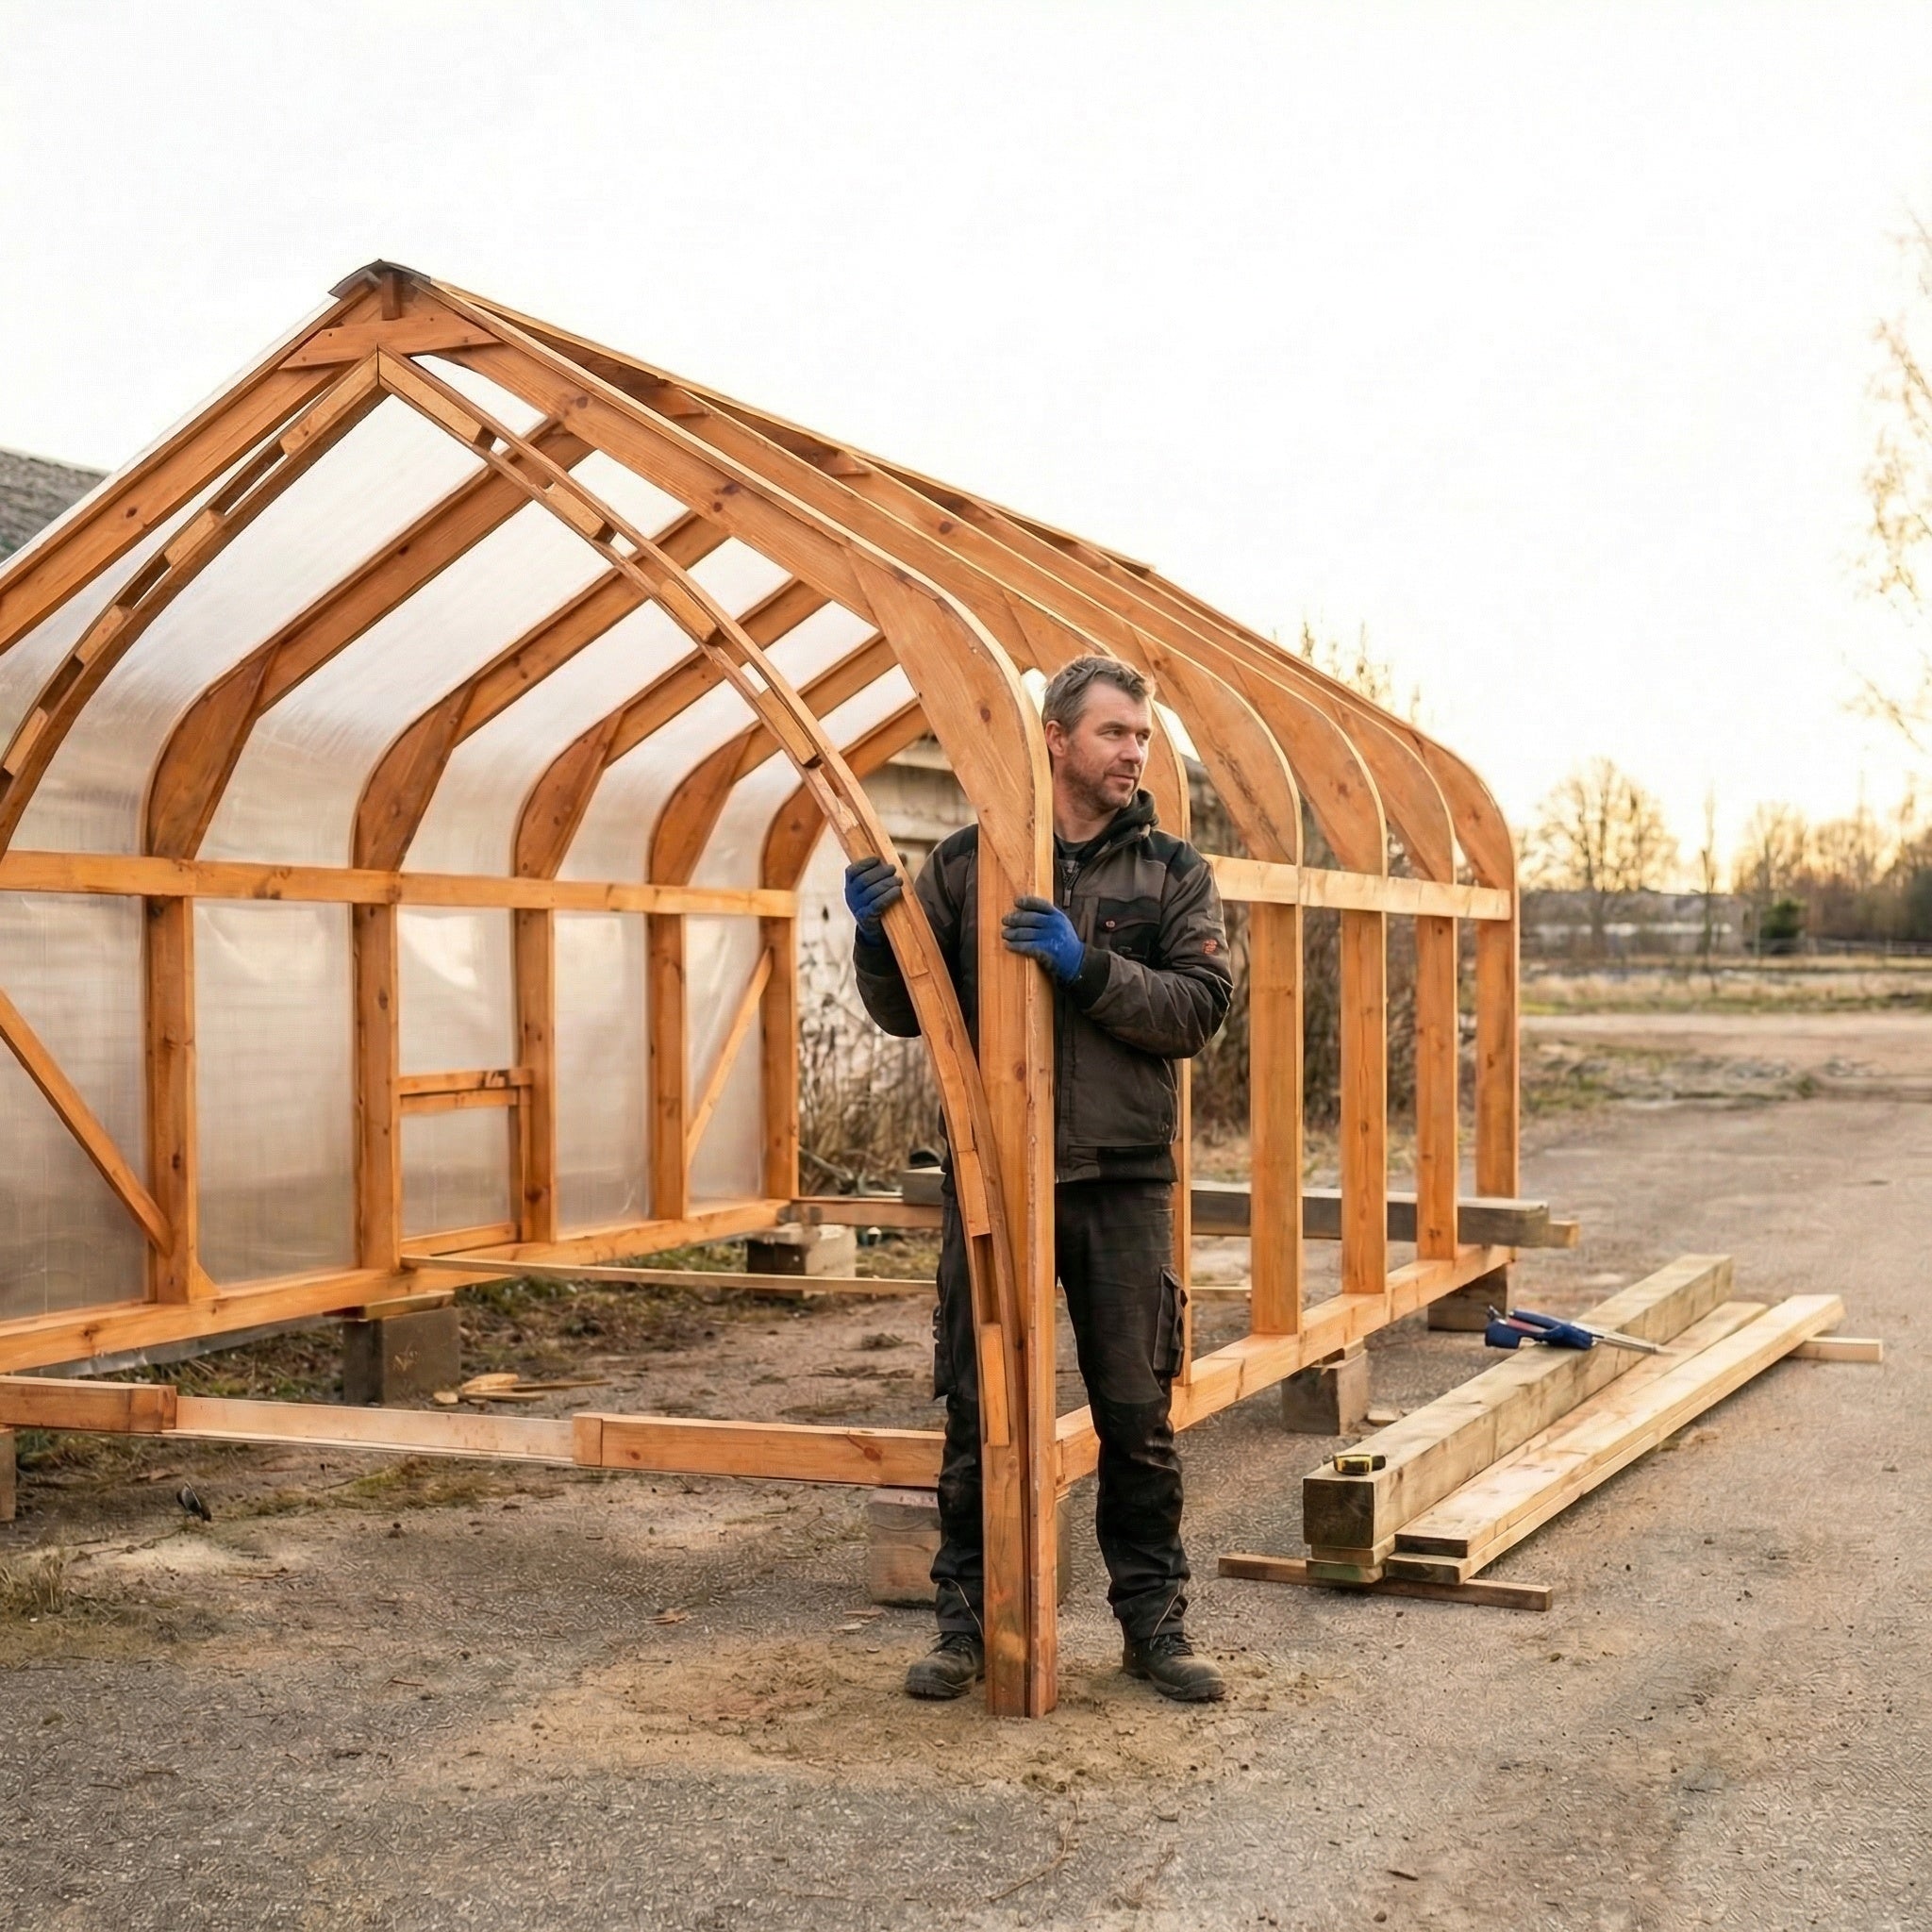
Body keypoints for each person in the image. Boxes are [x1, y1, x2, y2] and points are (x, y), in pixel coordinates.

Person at [843, 655, 1233, 1704]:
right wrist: (878, 937)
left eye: (1141, 738)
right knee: (977, 1408)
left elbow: (1199, 1007)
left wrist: (1089, 967)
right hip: (996, 1180)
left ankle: (1154, 1628)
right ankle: (964, 1626)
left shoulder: (1169, 871)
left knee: (1133, 1411)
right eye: (1114, 734)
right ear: (1054, 739)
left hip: (1118, 1180)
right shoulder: (971, 863)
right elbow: (903, 1010)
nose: (1133, 754)